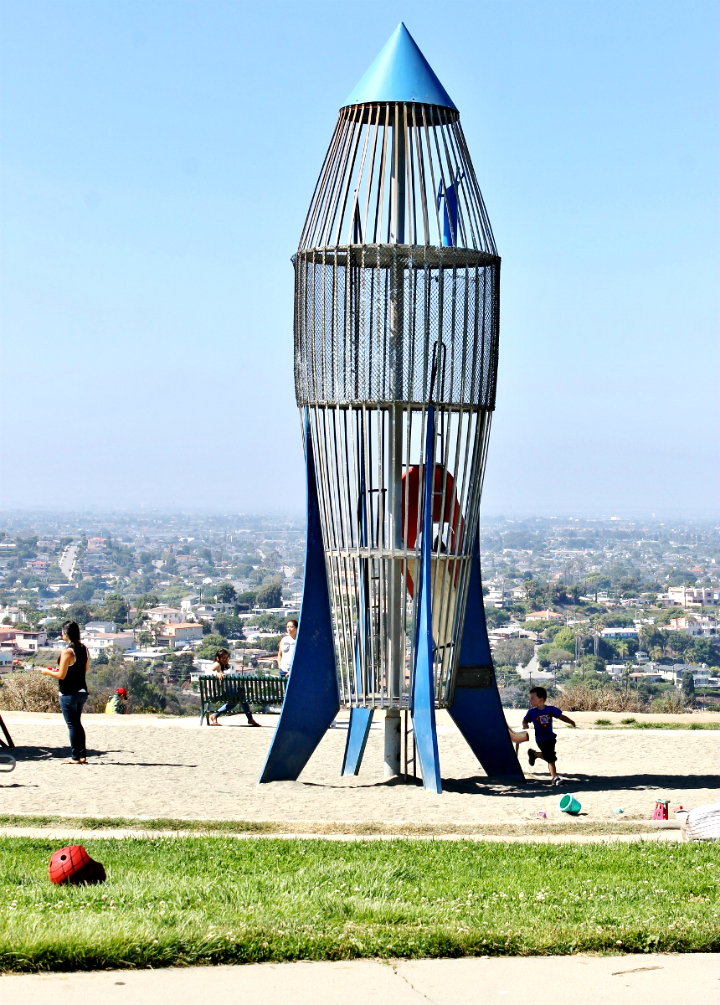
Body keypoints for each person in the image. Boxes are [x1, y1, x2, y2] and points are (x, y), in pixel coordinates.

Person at [41, 620, 89, 764]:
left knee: (72, 725)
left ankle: (75, 756)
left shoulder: (67, 652)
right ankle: (82, 755)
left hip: (68, 692)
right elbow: (84, 669)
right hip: (82, 690)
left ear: (65, 634)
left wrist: (48, 672)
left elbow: (61, 675)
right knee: (77, 723)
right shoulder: (84, 649)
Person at [522, 686, 576, 786]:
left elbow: (561, 716)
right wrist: (525, 724)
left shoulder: (550, 710)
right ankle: (554, 777)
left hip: (551, 738)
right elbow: (525, 719)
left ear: (541, 699)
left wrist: (571, 721)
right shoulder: (532, 712)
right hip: (540, 740)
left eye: (532, 698)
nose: (530, 700)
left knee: (549, 757)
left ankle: (535, 755)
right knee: (550, 757)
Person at [208, 649, 259, 727]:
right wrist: (217, 673)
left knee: (234, 702)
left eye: (226, 658)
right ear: (218, 658)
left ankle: (214, 715)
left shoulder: (219, 665)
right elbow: (211, 671)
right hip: (218, 693)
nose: (225, 660)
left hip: (214, 693)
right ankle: (250, 719)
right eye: (223, 658)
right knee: (241, 697)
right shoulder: (217, 664)